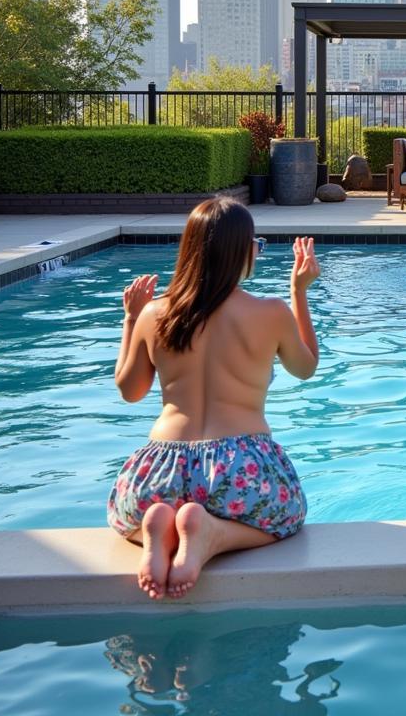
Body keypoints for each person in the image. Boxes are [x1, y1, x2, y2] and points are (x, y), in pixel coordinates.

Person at [107, 196, 320, 600]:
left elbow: (129, 390)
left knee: (124, 518)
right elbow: (305, 367)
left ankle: (160, 523)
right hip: (241, 469)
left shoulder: (155, 314)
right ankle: (211, 534)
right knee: (287, 517)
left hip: (161, 469)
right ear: (241, 252)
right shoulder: (270, 312)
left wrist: (131, 318)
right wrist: (299, 291)